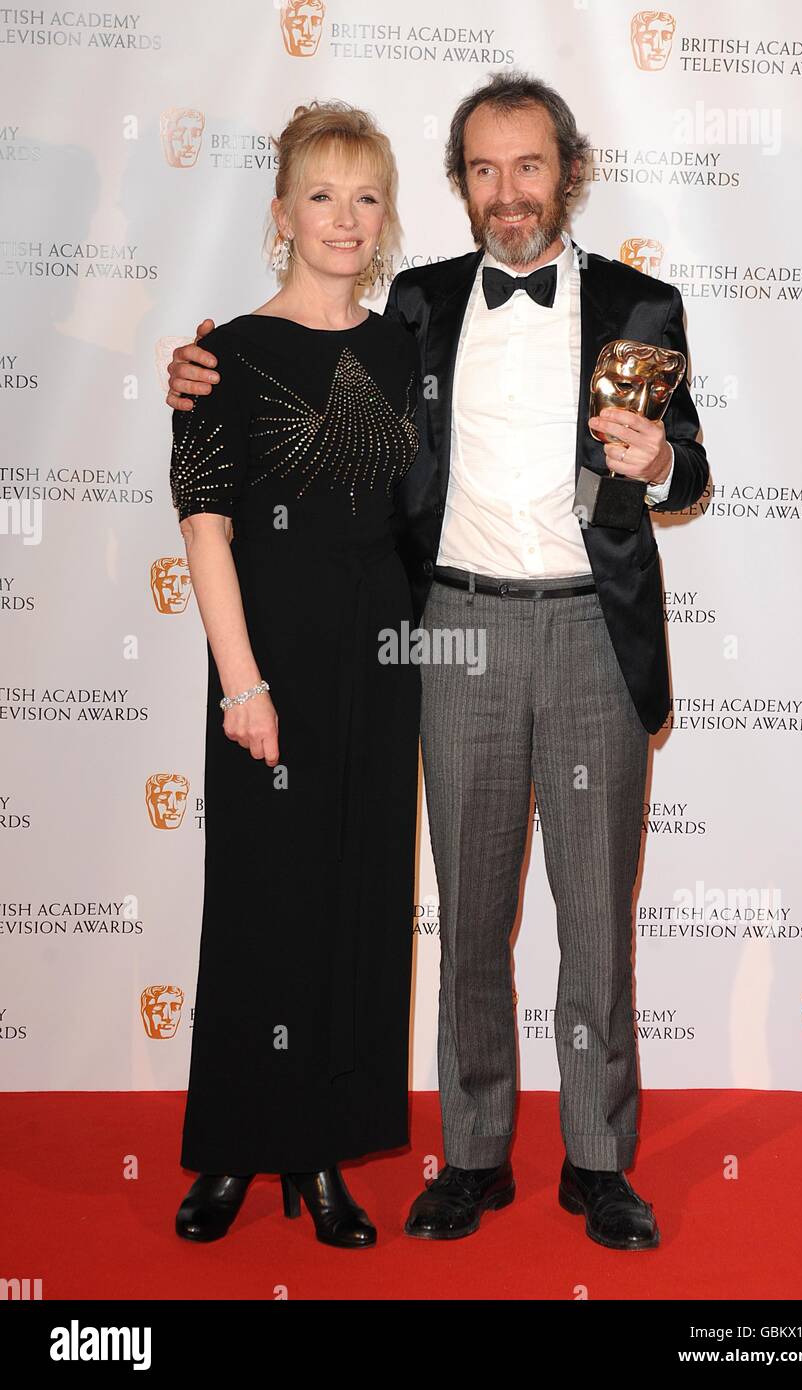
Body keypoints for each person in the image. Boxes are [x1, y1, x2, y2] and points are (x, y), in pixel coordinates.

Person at [167, 71, 710, 1252]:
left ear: (566, 169)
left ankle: (597, 1161)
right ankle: (469, 1154)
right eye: (481, 169)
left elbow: (693, 472)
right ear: (459, 185)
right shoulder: (411, 304)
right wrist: (195, 370)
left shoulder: (643, 303)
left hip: (588, 633)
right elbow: (289, 362)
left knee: (593, 918)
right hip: (449, 634)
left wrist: (658, 462)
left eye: (528, 166)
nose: (506, 192)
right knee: (467, 920)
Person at [167, 101, 421, 1248]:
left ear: (386, 215)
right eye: (321, 194)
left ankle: (319, 1155)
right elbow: (206, 526)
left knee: (354, 910)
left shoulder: (405, 350)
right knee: (262, 909)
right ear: (280, 213)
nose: (344, 217)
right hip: (266, 665)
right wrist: (241, 683)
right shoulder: (224, 355)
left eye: (365, 195)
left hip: (382, 665)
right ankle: (231, 1147)